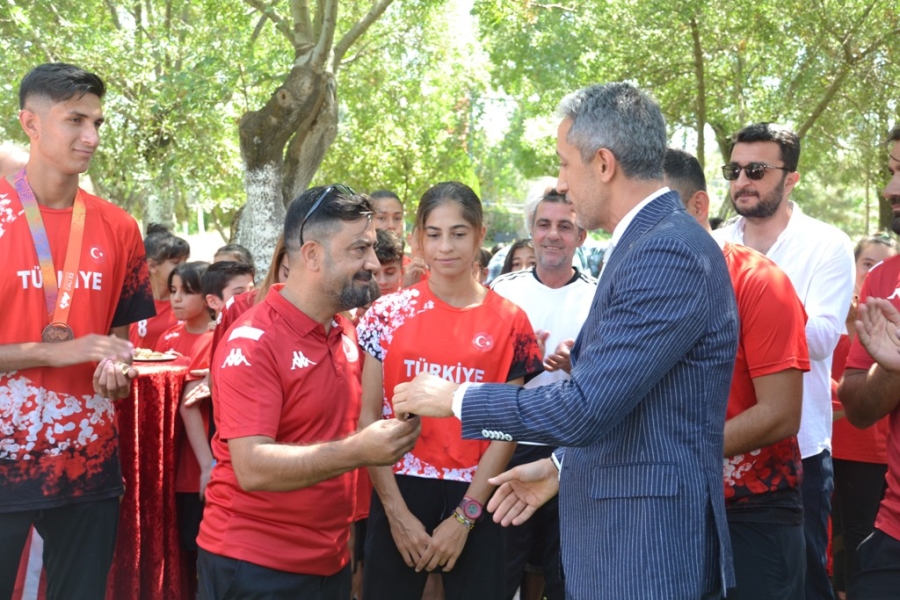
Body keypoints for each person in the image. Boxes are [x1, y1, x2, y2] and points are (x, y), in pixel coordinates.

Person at [393, 82, 739, 599]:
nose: (561, 181)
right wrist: (560, 466)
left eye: (564, 163)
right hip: (623, 540)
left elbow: (584, 408)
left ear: (603, 164)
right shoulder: (649, 242)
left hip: (644, 552)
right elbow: (635, 408)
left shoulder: (665, 251)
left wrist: (455, 397)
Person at [195, 185, 421, 599]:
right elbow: (252, 467)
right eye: (359, 249)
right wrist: (361, 450)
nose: (373, 262)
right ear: (313, 255)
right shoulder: (254, 340)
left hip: (328, 563)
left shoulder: (343, 330)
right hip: (255, 568)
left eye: (371, 248)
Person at [0, 62, 154, 600]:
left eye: (97, 123)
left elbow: (119, 339)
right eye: (75, 121)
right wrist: (57, 352)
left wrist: (117, 369)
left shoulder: (120, 227)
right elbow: (78, 345)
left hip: (88, 463)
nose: (90, 137)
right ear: (31, 123)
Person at [357, 181, 544, 600]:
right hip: (398, 487)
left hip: (477, 494)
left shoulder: (512, 322)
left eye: (458, 233)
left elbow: (507, 427)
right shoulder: (386, 314)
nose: (446, 247)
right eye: (434, 234)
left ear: (480, 234)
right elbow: (368, 419)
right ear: (417, 237)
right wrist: (396, 513)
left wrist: (465, 518)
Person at [713, 123, 855, 600]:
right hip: (717, 446)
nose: (741, 182)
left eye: (756, 170)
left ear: (790, 178)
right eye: (734, 170)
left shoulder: (826, 244)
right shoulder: (711, 244)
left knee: (803, 582)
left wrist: (758, 311)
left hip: (798, 451)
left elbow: (822, 338)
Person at [665, 148, 809, 599]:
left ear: (698, 207)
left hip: (753, 509)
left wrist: (677, 453)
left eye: (658, 211)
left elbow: (782, 413)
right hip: (670, 508)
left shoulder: (758, 281)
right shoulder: (638, 284)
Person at [489, 189, 596, 600]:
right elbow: (481, 368)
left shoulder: (598, 295)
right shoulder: (503, 290)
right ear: (531, 233)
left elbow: (614, 378)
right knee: (501, 573)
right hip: (508, 447)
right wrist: (517, 358)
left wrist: (578, 364)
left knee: (564, 576)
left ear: (581, 236)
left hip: (571, 451)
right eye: (544, 224)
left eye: (564, 226)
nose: (553, 235)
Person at [837, 123, 900, 599]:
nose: (890, 189)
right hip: (891, 533)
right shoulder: (883, 281)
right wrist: (892, 369)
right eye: (892, 170)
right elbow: (859, 408)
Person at [831, 234, 897, 598]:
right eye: (866, 263)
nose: (873, 271)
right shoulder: (839, 310)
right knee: (841, 528)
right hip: (836, 447)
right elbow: (848, 395)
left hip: (872, 455)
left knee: (858, 530)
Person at [129, 223, 190, 350]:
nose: (183, 268)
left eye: (186, 261)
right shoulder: (130, 302)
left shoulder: (193, 299)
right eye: (176, 262)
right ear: (151, 266)